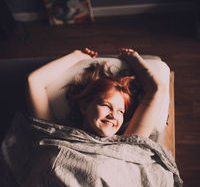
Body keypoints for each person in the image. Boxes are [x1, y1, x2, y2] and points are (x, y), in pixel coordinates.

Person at [26, 48, 167, 138]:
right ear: (84, 107)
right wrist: (76, 57)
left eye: (121, 112)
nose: (113, 115)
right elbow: (34, 81)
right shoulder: (57, 135)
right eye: (107, 105)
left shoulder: (128, 144)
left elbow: (157, 90)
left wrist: (134, 59)